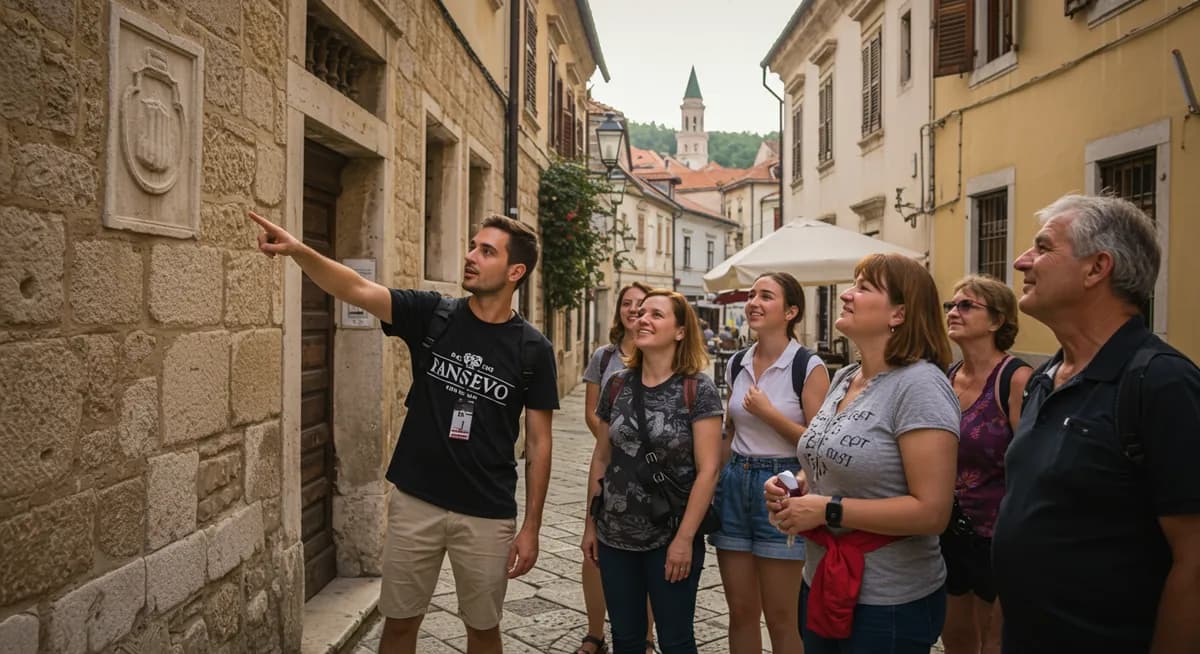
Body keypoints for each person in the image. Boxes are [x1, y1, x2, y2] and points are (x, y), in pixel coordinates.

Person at [247, 211, 558, 654]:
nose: (470, 256)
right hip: (416, 502)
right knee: (399, 624)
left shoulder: (533, 349)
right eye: (472, 245)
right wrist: (299, 251)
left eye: (486, 251)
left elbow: (540, 443)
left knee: (484, 630)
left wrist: (531, 527)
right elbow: (355, 288)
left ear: (515, 271)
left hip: (487, 512)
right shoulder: (434, 314)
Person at [993, 194, 1200, 652]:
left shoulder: (1162, 383)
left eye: (1043, 248)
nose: (1021, 260)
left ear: (1096, 268)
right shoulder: (1044, 378)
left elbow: (1195, 560)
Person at [765, 253, 960, 653]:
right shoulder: (846, 377)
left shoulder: (921, 386)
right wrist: (795, 486)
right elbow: (830, 454)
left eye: (863, 288)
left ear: (899, 314)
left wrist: (827, 510)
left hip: (888, 602)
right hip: (821, 580)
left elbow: (933, 512)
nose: (847, 296)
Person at [582, 289, 724, 654]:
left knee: (677, 641)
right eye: (641, 313)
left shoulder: (697, 389)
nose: (643, 318)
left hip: (670, 536)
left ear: (680, 331)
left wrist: (684, 540)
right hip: (614, 536)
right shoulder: (616, 386)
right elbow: (601, 458)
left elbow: (708, 471)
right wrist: (590, 524)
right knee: (627, 641)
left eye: (656, 315)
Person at [711, 272, 830, 653]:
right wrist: (712, 482)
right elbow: (729, 433)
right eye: (751, 295)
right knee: (741, 611)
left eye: (766, 296)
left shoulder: (808, 367)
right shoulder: (736, 362)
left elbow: (820, 445)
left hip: (783, 486)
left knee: (782, 617)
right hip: (735, 483)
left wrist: (768, 414)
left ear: (791, 311)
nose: (753, 302)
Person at [939, 275, 1031, 654]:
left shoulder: (1015, 378)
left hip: (998, 535)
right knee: (956, 638)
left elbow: (1031, 462)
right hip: (947, 531)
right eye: (951, 305)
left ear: (996, 321)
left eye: (966, 306)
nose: (953, 312)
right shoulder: (945, 377)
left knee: (995, 642)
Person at [579, 281, 658, 654]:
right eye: (627, 303)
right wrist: (617, 446)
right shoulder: (604, 357)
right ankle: (595, 632)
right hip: (608, 461)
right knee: (594, 547)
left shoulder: (659, 353)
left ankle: (645, 635)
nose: (633, 309)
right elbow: (593, 413)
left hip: (648, 470)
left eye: (641, 304)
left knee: (647, 548)